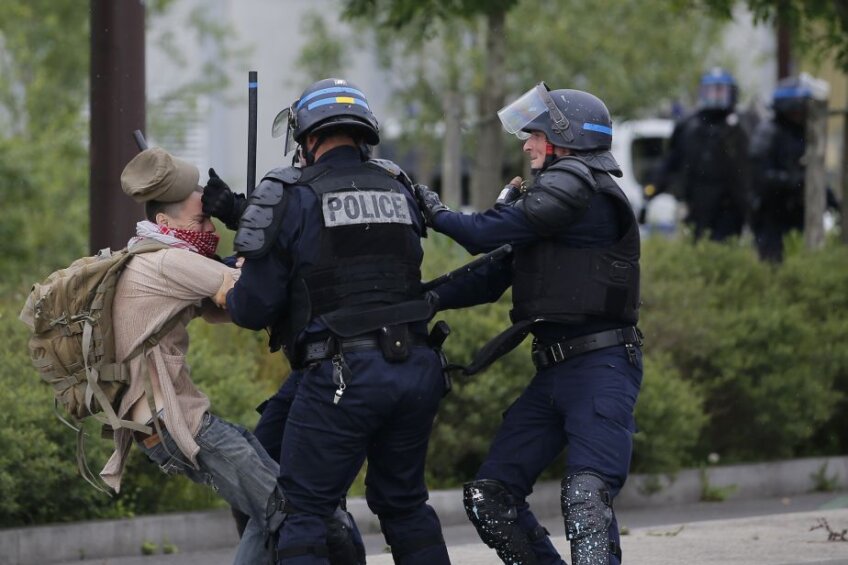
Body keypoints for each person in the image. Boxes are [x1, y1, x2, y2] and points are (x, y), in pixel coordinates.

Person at [209, 78, 451, 565]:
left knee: (301, 512)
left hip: (343, 375)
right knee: (404, 505)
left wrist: (233, 285)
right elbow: (349, 251)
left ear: (308, 137)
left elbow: (255, 307)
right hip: (416, 368)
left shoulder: (287, 190)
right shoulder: (397, 185)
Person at [415, 83, 642, 565]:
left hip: (601, 369)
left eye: (535, 134)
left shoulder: (578, 183)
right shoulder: (556, 208)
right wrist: (421, 300)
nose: (526, 144)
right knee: (490, 498)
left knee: (585, 499)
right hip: (555, 372)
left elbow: (484, 235)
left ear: (566, 138)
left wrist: (435, 211)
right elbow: (494, 271)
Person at [99, 147, 281, 565]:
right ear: (165, 222)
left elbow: (223, 311)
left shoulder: (144, 253)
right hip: (177, 423)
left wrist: (234, 267)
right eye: (201, 220)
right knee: (281, 507)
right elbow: (257, 296)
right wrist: (254, 238)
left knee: (269, 499)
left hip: (169, 422)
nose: (210, 228)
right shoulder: (169, 261)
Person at [654, 67, 750, 240]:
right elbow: (671, 160)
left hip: (729, 205)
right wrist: (655, 187)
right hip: (696, 202)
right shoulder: (688, 125)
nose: (715, 97)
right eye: (710, 91)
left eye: (720, 91)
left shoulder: (740, 125)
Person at [749, 76, 821, 262]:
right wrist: (791, 180)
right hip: (772, 213)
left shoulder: (804, 133)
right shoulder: (768, 132)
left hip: (797, 213)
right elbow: (759, 175)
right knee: (772, 263)